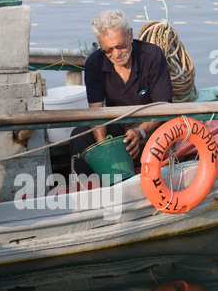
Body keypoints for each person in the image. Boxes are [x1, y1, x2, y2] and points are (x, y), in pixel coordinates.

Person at [70, 9, 173, 175]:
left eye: (121, 46)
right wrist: (103, 147)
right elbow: (96, 110)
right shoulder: (93, 64)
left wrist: (140, 132)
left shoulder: (152, 55)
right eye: (108, 50)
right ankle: (88, 188)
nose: (116, 54)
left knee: (162, 139)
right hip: (117, 124)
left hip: (151, 125)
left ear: (130, 35)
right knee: (79, 136)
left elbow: (164, 107)